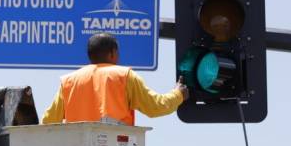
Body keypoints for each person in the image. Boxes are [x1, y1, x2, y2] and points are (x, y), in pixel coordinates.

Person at [42, 32, 189, 125]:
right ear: (112, 53)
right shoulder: (125, 76)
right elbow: (155, 107)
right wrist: (178, 94)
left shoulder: (68, 82)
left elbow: (48, 121)